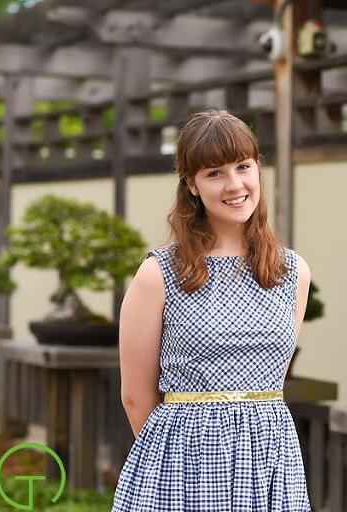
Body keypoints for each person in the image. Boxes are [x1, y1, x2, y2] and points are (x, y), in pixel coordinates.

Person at [112, 109, 312, 511]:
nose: (235, 184)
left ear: (258, 169)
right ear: (191, 185)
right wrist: (172, 467)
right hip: (182, 465)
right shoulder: (159, 273)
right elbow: (136, 397)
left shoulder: (292, 272)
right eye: (215, 173)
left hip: (271, 460)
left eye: (243, 166)